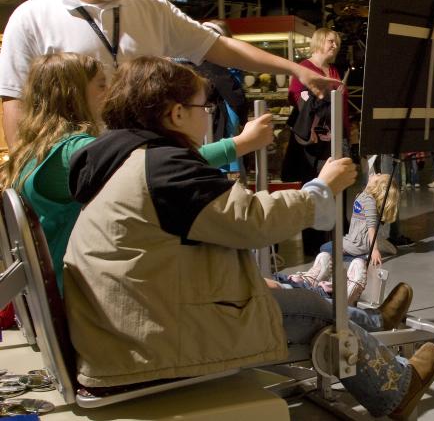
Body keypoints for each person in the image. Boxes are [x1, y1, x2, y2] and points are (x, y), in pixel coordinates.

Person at [62, 56, 434, 419]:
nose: (206, 114)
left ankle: (374, 328)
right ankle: (395, 387)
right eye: (202, 107)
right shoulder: (163, 168)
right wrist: (320, 189)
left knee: (281, 290)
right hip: (154, 340)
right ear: (176, 113)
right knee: (315, 309)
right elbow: (254, 221)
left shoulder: (117, 161)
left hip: (129, 330)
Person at [0, 0, 339, 145]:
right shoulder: (31, 18)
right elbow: (14, 98)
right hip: (75, 173)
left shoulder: (149, 7)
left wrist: (296, 69)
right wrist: (26, 178)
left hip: (150, 162)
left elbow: (218, 47)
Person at [0, 52, 273, 290]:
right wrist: (241, 143)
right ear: (74, 94)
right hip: (76, 290)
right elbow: (154, 167)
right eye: (101, 85)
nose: (109, 93)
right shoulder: (74, 152)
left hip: (62, 283)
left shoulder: (37, 148)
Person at [281, 27, 350, 257]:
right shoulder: (305, 68)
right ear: (319, 41)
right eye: (331, 41)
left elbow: (342, 106)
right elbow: (296, 98)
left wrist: (347, 133)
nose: (335, 46)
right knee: (313, 188)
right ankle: (313, 246)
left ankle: (335, 241)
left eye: (337, 42)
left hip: (334, 139)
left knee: (336, 188)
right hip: (313, 143)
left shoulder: (333, 70)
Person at [282, 172, 400, 303]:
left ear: (377, 186)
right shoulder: (365, 196)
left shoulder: (369, 201)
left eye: (379, 175)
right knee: (329, 248)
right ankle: (365, 252)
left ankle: (331, 275)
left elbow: (372, 226)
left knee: (325, 249)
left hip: (355, 244)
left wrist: (375, 249)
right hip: (353, 239)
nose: (376, 173)